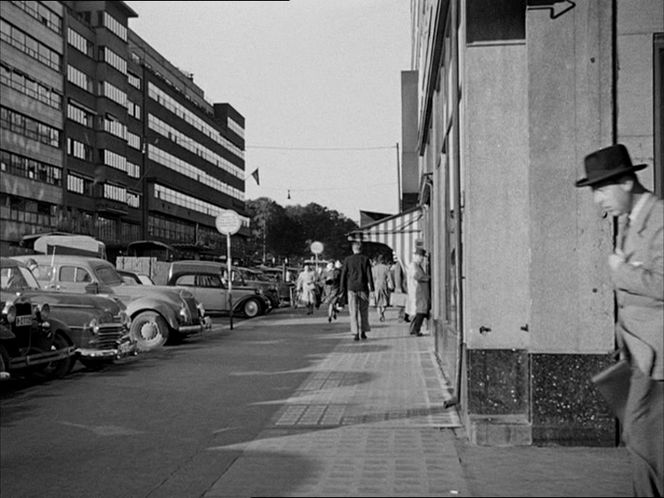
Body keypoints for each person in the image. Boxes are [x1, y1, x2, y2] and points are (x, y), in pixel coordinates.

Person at [575, 143, 663, 497]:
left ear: (627, 183)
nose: (598, 199)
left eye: (602, 189)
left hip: (658, 354)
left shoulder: (659, 219)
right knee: (643, 437)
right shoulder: (629, 220)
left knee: (642, 435)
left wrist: (621, 271)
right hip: (639, 352)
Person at [340, 241, 374, 341]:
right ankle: (363, 331)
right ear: (361, 249)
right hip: (363, 288)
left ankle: (355, 333)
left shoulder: (347, 260)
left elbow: (344, 274)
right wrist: (372, 288)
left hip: (351, 288)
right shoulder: (365, 259)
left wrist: (342, 288)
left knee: (353, 311)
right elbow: (369, 274)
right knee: (364, 311)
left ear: (353, 249)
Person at [406, 247, 431, 337]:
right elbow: (416, 276)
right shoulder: (413, 266)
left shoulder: (416, 265)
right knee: (420, 311)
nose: (422, 259)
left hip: (419, 291)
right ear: (417, 256)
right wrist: (426, 278)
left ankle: (413, 329)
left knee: (418, 311)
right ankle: (416, 329)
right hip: (417, 291)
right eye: (421, 257)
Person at [371, 254, 392, 322]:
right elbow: (389, 278)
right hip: (384, 285)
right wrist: (392, 285)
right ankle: (383, 312)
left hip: (376, 286)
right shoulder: (386, 268)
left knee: (378, 302)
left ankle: (379, 314)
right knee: (385, 301)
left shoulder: (374, 268)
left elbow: (372, 278)